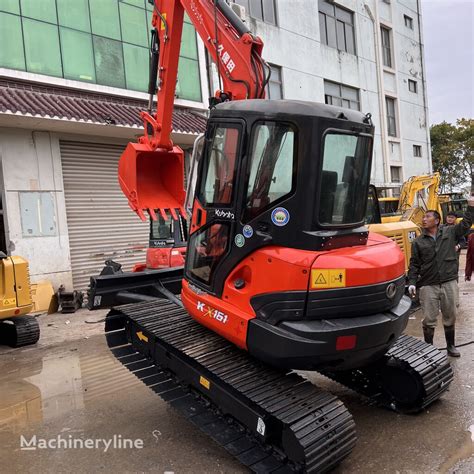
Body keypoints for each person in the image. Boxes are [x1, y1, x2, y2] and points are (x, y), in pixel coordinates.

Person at [408, 196, 474, 357]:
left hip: (448, 282)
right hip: (428, 284)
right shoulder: (418, 242)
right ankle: (429, 349)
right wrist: (412, 282)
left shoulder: (450, 232)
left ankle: (450, 346)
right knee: (429, 319)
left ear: (437, 221)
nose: (424, 219)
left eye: (427, 217)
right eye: (423, 217)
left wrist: (471, 207)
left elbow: (465, 225)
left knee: (450, 315)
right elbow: (414, 264)